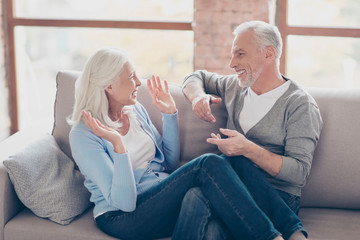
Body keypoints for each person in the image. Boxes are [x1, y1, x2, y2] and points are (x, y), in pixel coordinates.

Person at [68, 47, 308, 240]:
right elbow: (124, 203)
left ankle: (294, 232)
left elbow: (169, 166)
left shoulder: (135, 111)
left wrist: (170, 115)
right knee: (207, 164)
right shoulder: (84, 134)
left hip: (157, 199)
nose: (139, 82)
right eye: (131, 77)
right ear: (109, 86)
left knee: (212, 186)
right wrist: (119, 146)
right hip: (122, 217)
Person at [182, 20, 323, 239]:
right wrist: (197, 96)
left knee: (199, 193)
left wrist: (247, 149)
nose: (232, 63)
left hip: (276, 196)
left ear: (268, 54)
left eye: (240, 54)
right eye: (232, 55)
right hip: (231, 187)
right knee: (198, 205)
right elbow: (195, 77)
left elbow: (298, 173)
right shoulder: (234, 87)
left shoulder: (299, 104)